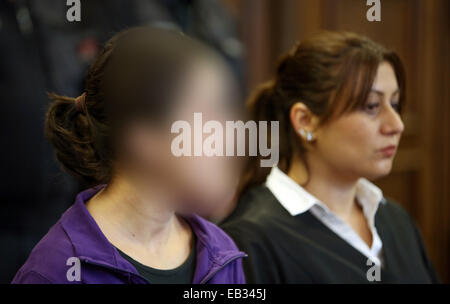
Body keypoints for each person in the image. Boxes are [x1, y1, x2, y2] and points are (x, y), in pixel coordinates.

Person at [12, 26, 246, 284]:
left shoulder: (220, 253)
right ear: (143, 138)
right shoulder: (57, 272)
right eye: (209, 116)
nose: (230, 134)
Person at [221, 31, 439, 283]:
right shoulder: (250, 239)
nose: (397, 124)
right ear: (306, 121)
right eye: (371, 106)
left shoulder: (395, 220)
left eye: (395, 104)